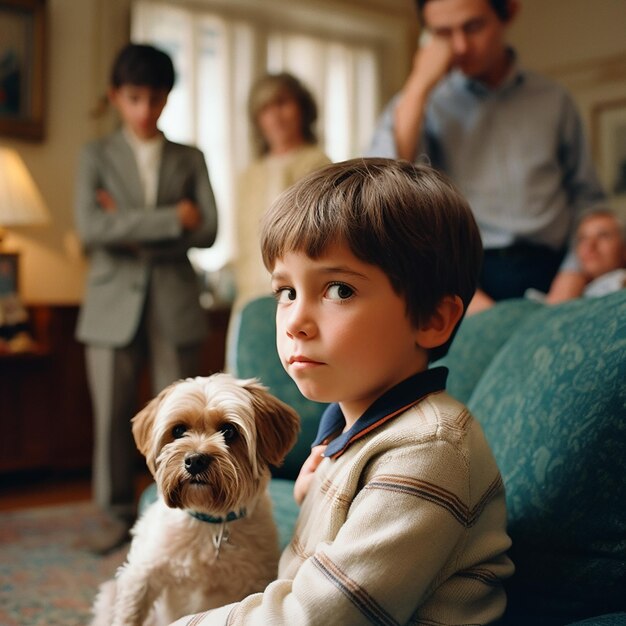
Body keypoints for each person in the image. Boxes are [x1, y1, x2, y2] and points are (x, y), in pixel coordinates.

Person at [172, 158, 514, 625]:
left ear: (433, 319)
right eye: (286, 291)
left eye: (339, 290)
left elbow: (317, 618)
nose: (295, 321)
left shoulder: (429, 449)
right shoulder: (352, 427)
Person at [367, 0, 606, 314]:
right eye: (442, 33)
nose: (460, 46)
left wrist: (572, 276)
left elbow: (587, 198)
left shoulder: (554, 100)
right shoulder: (421, 105)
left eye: (473, 26)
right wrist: (419, 84)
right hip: (461, 282)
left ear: (509, 11)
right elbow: (381, 188)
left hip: (556, 274)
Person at [74, 43, 218, 553]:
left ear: (167, 97)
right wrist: (169, 219)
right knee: (111, 418)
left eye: (155, 99)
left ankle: (180, 514)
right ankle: (114, 515)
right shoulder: (95, 155)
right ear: (115, 96)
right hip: (110, 306)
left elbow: (209, 231)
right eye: (134, 98)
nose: (144, 110)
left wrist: (126, 225)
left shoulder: (191, 157)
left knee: (184, 422)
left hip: (175, 303)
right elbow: (91, 228)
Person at [231, 72, 330, 317]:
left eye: (282, 103)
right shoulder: (248, 175)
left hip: (302, 296)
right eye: (265, 108)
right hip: (251, 297)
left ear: (302, 109)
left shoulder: (321, 165)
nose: (275, 116)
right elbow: (243, 244)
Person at [575, 208, 626, 297]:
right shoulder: (579, 291)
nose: (590, 245)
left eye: (603, 236)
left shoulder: (620, 281)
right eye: (583, 238)